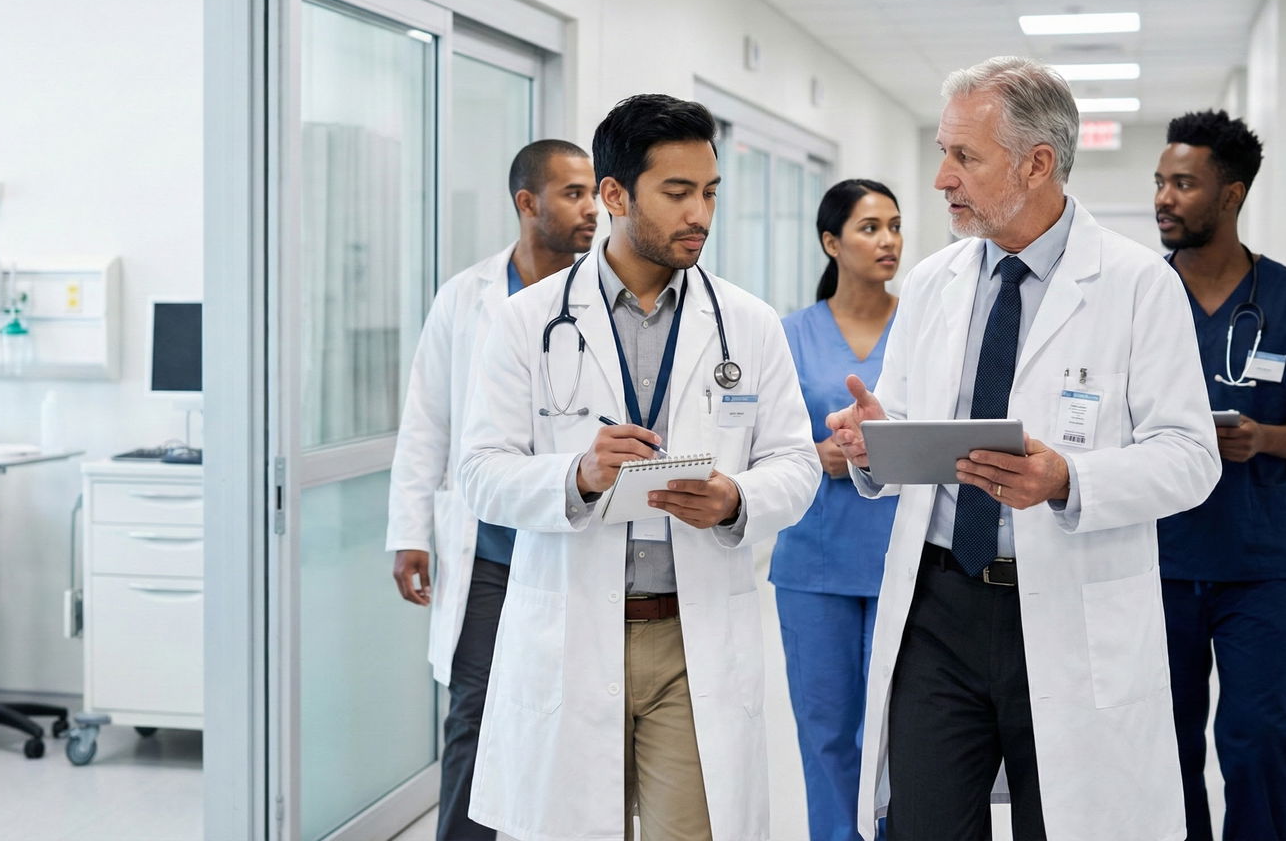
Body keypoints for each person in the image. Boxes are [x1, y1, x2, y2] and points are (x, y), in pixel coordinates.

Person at [825, 56, 1222, 841]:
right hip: (938, 608)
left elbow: (1190, 456)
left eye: (964, 156)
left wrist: (1068, 478)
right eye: (943, 151)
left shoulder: (1137, 284)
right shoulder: (935, 282)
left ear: (1037, 164)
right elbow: (905, 422)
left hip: (1070, 605)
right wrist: (872, 442)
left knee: (1071, 823)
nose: (941, 178)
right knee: (926, 826)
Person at [457, 93, 820, 841]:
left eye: (710, 192)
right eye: (677, 192)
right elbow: (481, 473)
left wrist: (737, 499)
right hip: (572, 629)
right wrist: (577, 477)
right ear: (616, 195)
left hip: (692, 638)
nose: (700, 214)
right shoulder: (527, 321)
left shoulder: (747, 323)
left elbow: (795, 461)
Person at [1153, 110, 1286, 841]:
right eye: (1160, 181)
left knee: (1257, 738)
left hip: (1259, 568)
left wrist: (1265, 438)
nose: (1164, 198)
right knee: (1165, 743)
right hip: (1156, 561)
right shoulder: (1140, 296)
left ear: (1232, 194)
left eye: (1184, 183)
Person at [385, 139, 598, 841]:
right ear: (527, 203)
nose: (591, 208)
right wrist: (410, 532)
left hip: (572, 543)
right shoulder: (465, 297)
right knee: (472, 717)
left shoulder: (605, 298)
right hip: (488, 553)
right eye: (572, 193)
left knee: (572, 719)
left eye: (593, 192)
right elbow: (428, 419)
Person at [771, 178, 903, 841]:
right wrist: (811, 452)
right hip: (814, 562)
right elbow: (765, 437)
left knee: (897, 735)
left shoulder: (923, 328)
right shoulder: (789, 334)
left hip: (903, 558)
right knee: (824, 729)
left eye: (894, 226)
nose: (888, 241)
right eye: (870, 227)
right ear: (832, 242)